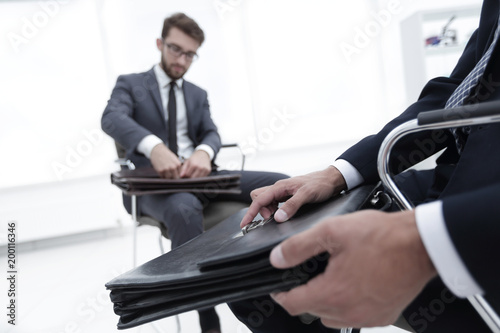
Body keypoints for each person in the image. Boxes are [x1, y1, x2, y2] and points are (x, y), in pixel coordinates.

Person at [228, 0, 500, 332]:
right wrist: (336, 175)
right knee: (252, 268)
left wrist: (423, 243)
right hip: (452, 177)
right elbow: (455, 92)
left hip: (484, 212)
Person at [101, 13, 288, 333]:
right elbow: (111, 119)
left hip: (206, 176)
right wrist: (154, 147)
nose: (182, 59)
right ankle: (205, 310)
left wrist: (204, 151)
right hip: (156, 186)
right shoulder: (131, 85)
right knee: (183, 205)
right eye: (175, 49)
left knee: (282, 183)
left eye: (190, 54)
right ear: (160, 44)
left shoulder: (197, 94)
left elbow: (211, 133)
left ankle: (284, 275)